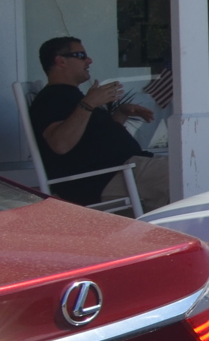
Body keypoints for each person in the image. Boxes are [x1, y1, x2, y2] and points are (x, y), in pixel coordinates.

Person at [28, 35, 168, 211]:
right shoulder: (51, 99)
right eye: (81, 56)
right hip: (106, 178)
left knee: (185, 173)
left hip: (124, 169)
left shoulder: (72, 96)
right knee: (185, 175)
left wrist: (121, 113)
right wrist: (88, 104)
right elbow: (60, 144)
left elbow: (94, 138)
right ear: (60, 61)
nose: (89, 60)